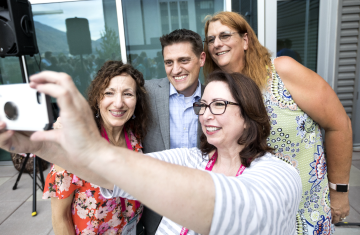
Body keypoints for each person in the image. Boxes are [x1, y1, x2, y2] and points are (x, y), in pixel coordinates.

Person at [0, 70, 301, 235]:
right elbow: (116, 176)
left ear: (249, 114)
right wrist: (40, 146)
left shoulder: (280, 173)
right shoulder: (193, 159)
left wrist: (93, 148)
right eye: (202, 106)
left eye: (219, 105)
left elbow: (241, 211)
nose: (207, 115)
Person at [202, 11, 353, 233]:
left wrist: (338, 191)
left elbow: (339, 125)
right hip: (260, 213)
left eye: (224, 35)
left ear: (245, 40)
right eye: (211, 39)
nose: (217, 44)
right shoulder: (220, 91)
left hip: (305, 209)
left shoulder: (281, 71)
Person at [42, 61, 150, 234]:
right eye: (109, 93)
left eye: (128, 94)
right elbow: (60, 217)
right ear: (98, 98)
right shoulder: (75, 143)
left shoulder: (134, 136)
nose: (119, 103)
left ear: (137, 100)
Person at [141, 29, 205, 234]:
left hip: (204, 207)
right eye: (169, 62)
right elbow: (113, 105)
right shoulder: (146, 93)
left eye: (184, 60)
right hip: (158, 211)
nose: (176, 70)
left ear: (201, 59)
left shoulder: (217, 95)